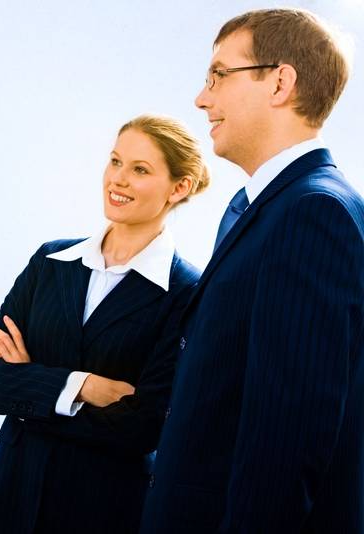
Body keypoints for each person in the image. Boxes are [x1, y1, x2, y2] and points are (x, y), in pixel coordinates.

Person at [140, 8, 364, 533]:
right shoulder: (257, 207)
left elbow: (289, 431)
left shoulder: (314, 212)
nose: (201, 98)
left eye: (218, 75)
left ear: (280, 82)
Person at [0, 114, 209, 533]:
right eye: (115, 161)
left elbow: (144, 425)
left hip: (100, 511)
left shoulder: (187, 292)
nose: (118, 179)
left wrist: (28, 385)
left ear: (179, 187)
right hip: (10, 503)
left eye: (140, 169)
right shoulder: (51, 261)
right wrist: (81, 386)